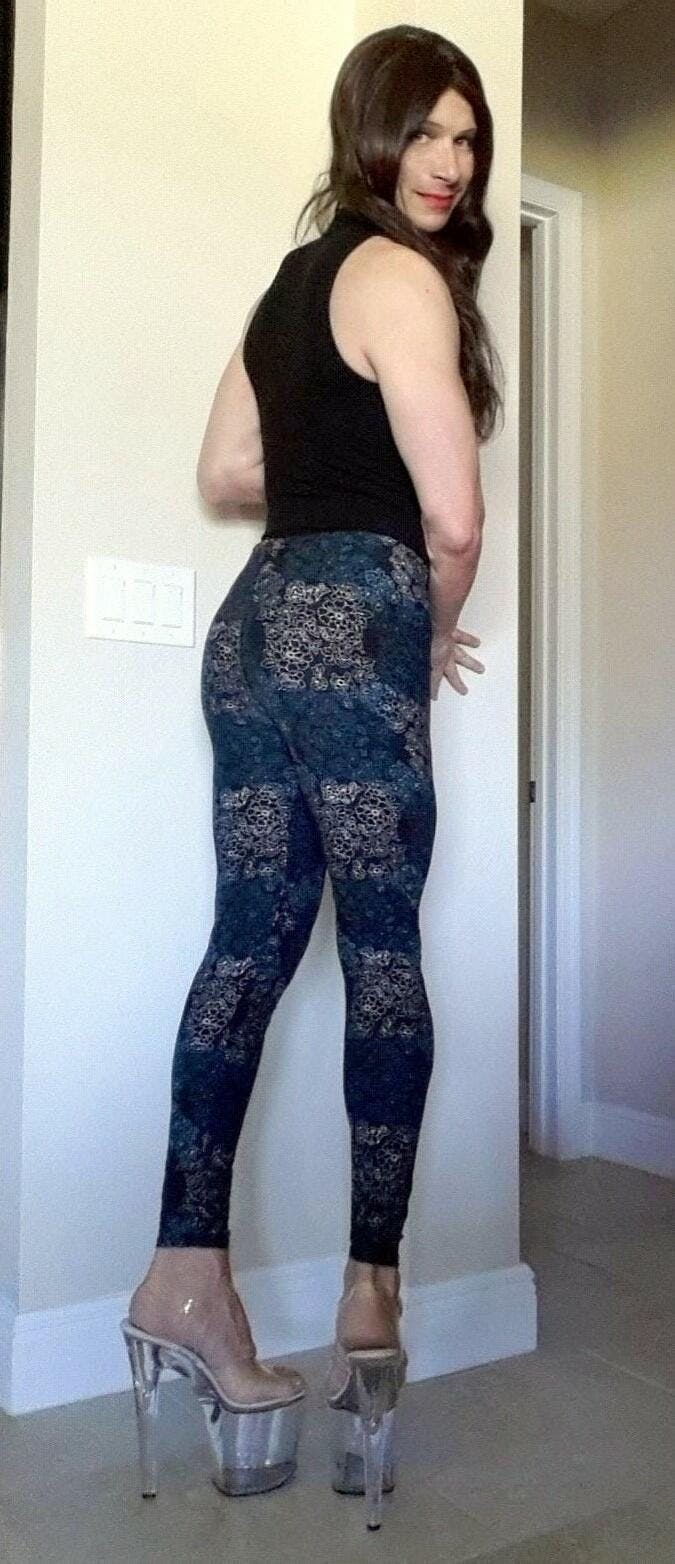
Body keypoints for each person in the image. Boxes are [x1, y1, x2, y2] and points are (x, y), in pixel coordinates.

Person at [120, 22, 503, 1526]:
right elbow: (454, 521)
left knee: (246, 951)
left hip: (252, 631)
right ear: (372, 133)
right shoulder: (404, 280)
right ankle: (370, 1296)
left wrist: (336, 456)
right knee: (384, 957)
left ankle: (182, 1279)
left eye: (468, 140)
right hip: (354, 625)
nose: (450, 163)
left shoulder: (290, 287)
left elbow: (228, 473)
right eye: (428, 132)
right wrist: (428, 630)